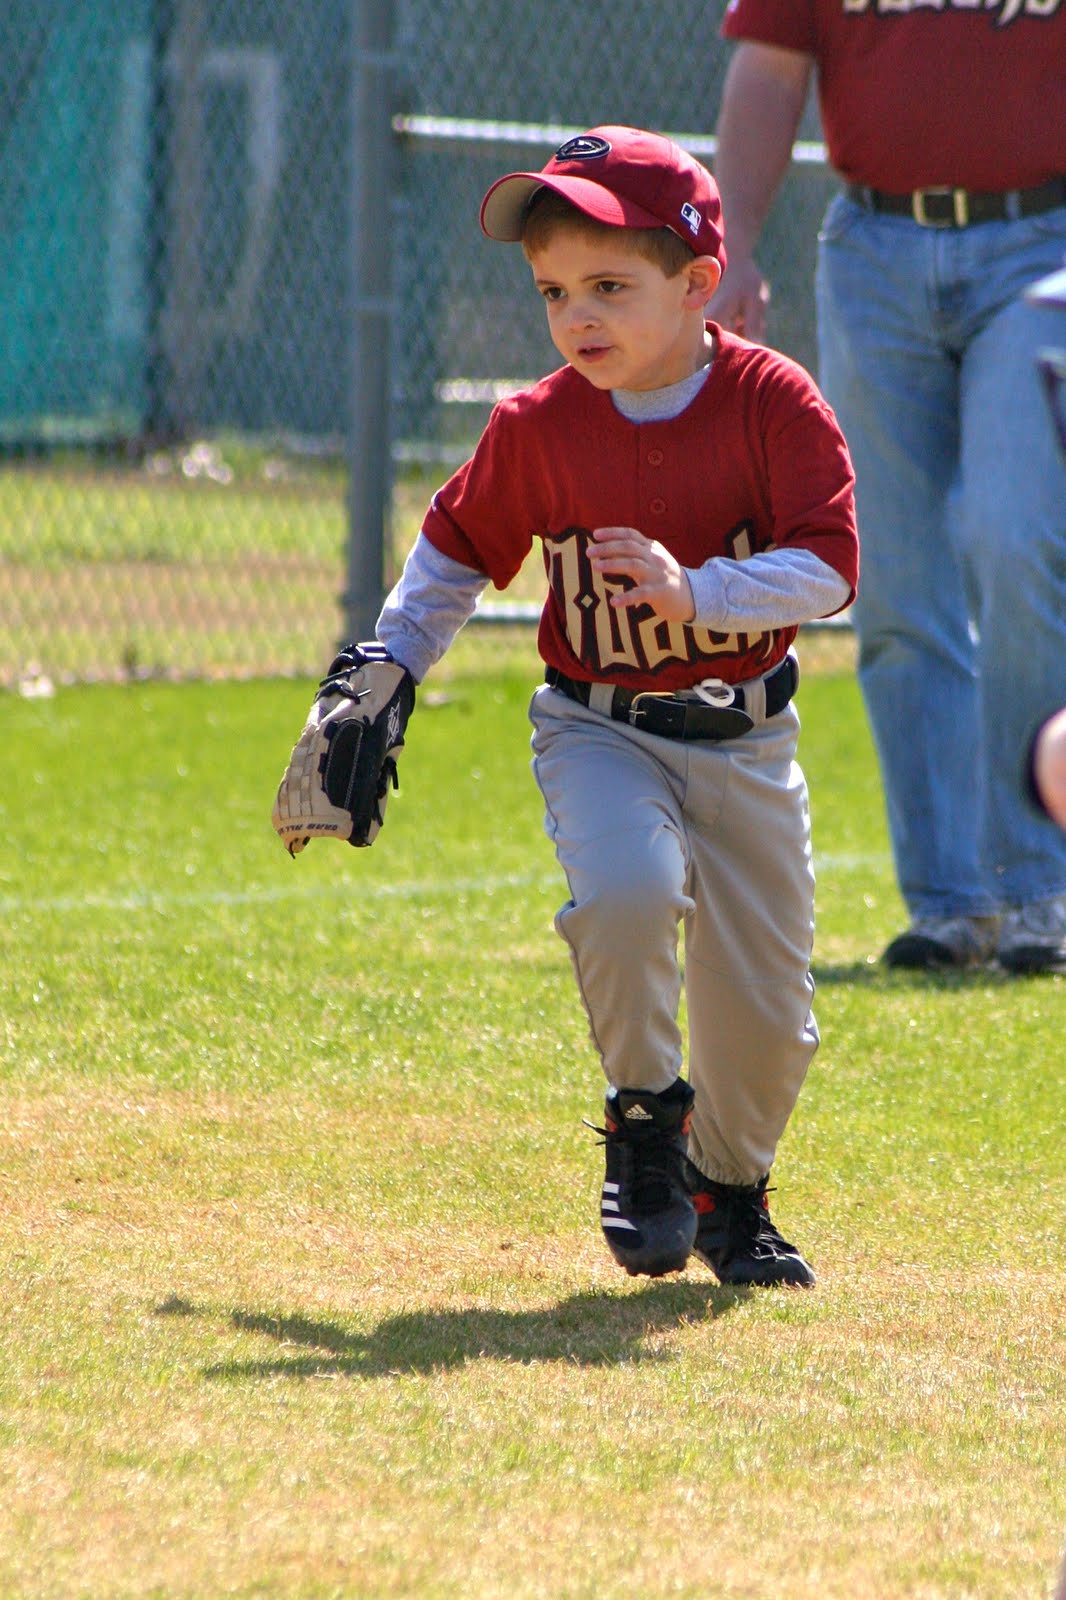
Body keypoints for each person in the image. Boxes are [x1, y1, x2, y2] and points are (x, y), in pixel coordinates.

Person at [370, 126, 858, 1286]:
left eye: (608, 286)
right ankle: (645, 1125)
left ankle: (729, 1192)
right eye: (552, 291)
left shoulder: (771, 401)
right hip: (596, 726)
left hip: (744, 736)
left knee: (770, 1016)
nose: (576, 316)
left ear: (699, 286)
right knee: (628, 896)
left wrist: (703, 594)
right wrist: (380, 672)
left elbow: (831, 569)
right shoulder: (538, 424)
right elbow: (449, 553)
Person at [706, 1, 1066, 975]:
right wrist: (731, 237)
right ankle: (951, 900)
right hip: (873, 251)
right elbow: (771, 70)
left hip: (1044, 240)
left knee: (1014, 534)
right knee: (896, 581)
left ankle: (1041, 887)